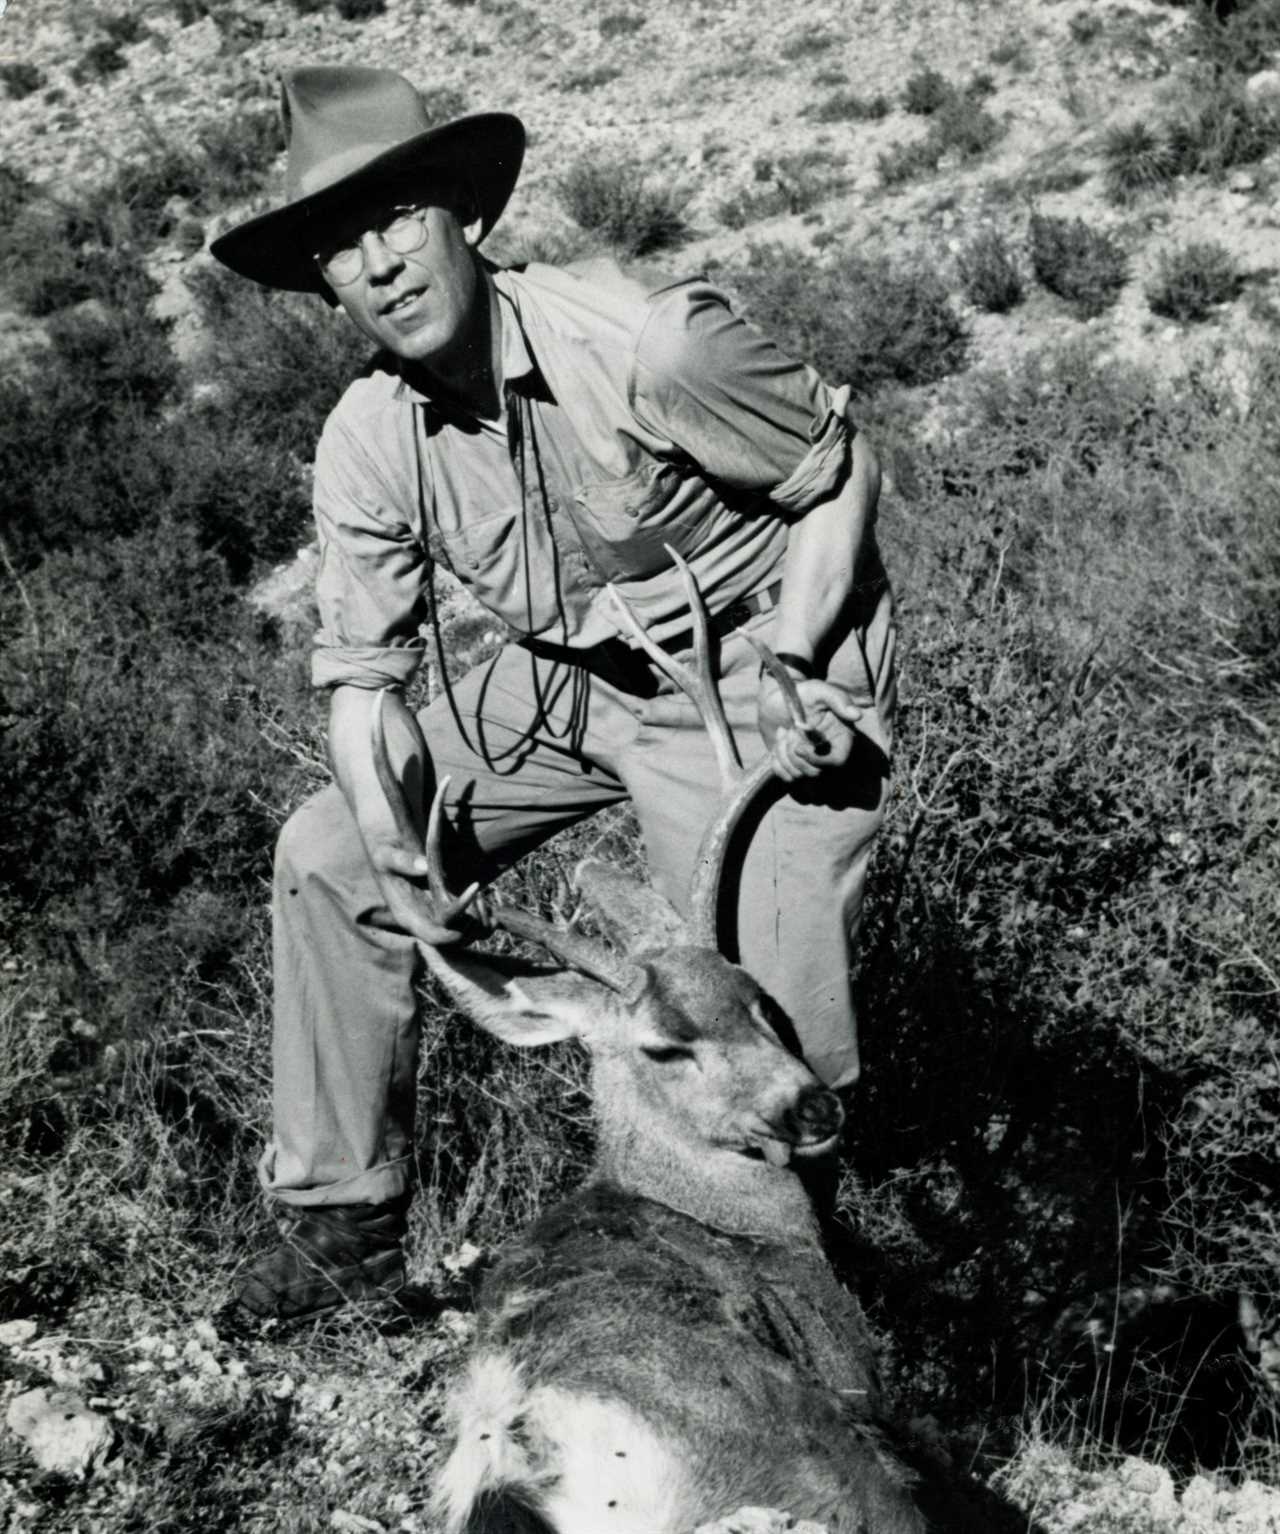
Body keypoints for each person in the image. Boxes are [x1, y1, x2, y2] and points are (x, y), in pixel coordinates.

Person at [210, 65, 897, 1321]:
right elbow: (365, 679)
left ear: (462, 218)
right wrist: (384, 824)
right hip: (569, 680)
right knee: (328, 854)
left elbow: (838, 475)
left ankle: (802, 1299)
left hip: (746, 676)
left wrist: (800, 653)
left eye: (398, 219)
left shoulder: (648, 343)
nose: (378, 264)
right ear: (324, 282)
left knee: (760, 1017)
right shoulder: (367, 436)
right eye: (341, 246)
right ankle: (340, 1228)